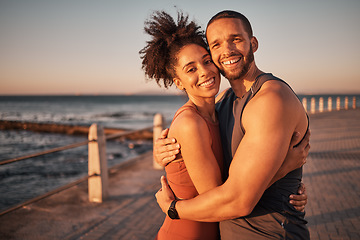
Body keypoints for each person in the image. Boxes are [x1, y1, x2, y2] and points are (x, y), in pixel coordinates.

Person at [154, 10, 311, 239]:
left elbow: (239, 200)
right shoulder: (225, 102)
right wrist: (164, 153)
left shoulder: (270, 99)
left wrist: (173, 208)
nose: (226, 50)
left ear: (253, 43)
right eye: (216, 45)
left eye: (235, 39)